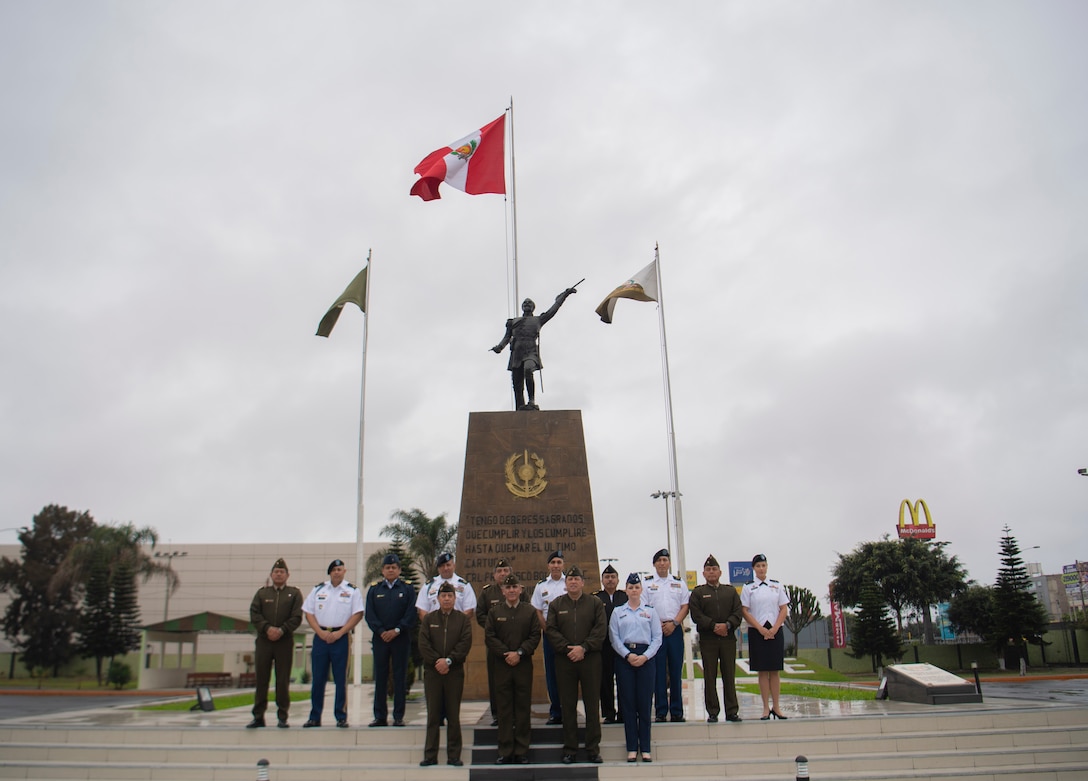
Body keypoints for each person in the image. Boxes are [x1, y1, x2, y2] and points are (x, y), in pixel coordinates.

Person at [545, 564, 608, 765]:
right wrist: (568, 649)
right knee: (568, 706)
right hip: (565, 660)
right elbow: (551, 630)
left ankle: (592, 749)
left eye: (576, 579)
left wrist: (583, 648)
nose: (573, 582)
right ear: (566, 583)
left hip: (589, 660)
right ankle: (570, 749)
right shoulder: (556, 604)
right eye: (570, 580)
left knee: (591, 704)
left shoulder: (595, 603)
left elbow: (600, 630)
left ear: (582, 582)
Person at [484, 573, 540, 765]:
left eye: (515, 587)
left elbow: (534, 636)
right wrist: (506, 654)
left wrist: (520, 653)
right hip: (502, 666)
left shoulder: (529, 611)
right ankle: (506, 750)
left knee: (523, 708)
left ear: (520, 589)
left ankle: (522, 750)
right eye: (508, 588)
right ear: (503, 590)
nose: (511, 590)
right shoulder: (495, 611)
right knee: (504, 709)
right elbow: (489, 637)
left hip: (523, 665)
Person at [490, 287, 577, 411]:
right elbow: (507, 337)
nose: (527, 304)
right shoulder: (513, 322)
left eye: (529, 303)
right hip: (517, 353)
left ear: (533, 307)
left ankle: (531, 401)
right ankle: (520, 405)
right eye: (524, 302)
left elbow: (554, 309)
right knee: (517, 383)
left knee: (528, 370)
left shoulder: (538, 320)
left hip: (530, 350)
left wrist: (565, 295)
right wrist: (499, 347)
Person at [302, 559, 364, 728]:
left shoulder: (352, 591)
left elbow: (358, 614)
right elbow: (308, 613)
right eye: (334, 570)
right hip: (321, 637)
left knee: (340, 679)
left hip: (341, 638)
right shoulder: (318, 589)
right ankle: (315, 716)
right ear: (329, 572)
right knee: (318, 679)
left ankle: (341, 716)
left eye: (340, 569)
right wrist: (320, 632)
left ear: (345, 571)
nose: (337, 572)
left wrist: (339, 633)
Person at [418, 582, 473, 767]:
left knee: (453, 714)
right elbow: (424, 644)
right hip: (433, 672)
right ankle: (430, 755)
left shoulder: (462, 620)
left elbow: (465, 643)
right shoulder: (429, 619)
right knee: (433, 715)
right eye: (444, 596)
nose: (447, 599)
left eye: (450, 596)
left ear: (455, 599)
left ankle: (454, 755)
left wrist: (448, 661)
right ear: (438, 599)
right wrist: (437, 662)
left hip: (454, 672)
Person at [609, 572, 662, 763]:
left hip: (646, 658)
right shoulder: (618, 612)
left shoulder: (650, 611)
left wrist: (645, 656)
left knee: (645, 704)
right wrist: (628, 655)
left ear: (641, 590)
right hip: (625, 659)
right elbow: (614, 637)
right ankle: (632, 748)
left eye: (636, 587)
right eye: (630, 587)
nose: (633, 590)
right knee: (629, 704)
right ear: (626, 589)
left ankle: (645, 748)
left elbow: (657, 637)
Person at [247, 558, 303, 729]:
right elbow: (254, 614)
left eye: (282, 572)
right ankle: (258, 716)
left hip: (284, 642)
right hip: (264, 642)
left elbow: (297, 617)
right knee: (262, 679)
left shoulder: (294, 594)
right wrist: (267, 629)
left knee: (282, 680)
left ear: (287, 575)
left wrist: (281, 630)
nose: (279, 574)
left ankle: (282, 716)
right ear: (271, 575)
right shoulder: (262, 594)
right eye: (276, 572)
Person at [688, 554, 744, 723]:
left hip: (728, 638)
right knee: (710, 676)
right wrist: (713, 626)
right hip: (708, 639)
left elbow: (738, 613)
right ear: (704, 573)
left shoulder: (730, 591)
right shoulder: (699, 592)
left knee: (729, 675)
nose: (711, 572)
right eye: (708, 570)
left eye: (714, 569)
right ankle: (713, 711)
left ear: (720, 572)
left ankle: (732, 711)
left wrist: (726, 625)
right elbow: (696, 615)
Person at [364, 553, 416, 728]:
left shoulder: (407, 589)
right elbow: (370, 615)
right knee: (380, 677)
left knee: (399, 677)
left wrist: (397, 630)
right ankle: (380, 716)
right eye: (388, 567)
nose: (391, 570)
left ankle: (398, 716)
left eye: (394, 567)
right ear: (382, 570)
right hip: (380, 640)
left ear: (399, 570)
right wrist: (381, 631)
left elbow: (411, 613)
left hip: (400, 638)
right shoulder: (374, 590)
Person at [740, 553, 791, 720]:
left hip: (775, 630)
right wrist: (760, 629)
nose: (761, 568)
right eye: (758, 566)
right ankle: (765, 708)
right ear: (753, 569)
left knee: (775, 670)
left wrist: (775, 628)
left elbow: (783, 608)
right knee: (762, 670)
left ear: (767, 567)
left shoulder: (776, 586)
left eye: (763, 565)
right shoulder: (748, 587)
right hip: (757, 631)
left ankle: (776, 706)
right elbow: (744, 611)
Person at [643, 548, 690, 722]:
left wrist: (675, 623)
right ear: (654, 564)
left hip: (675, 629)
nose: (662, 563)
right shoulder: (647, 583)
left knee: (676, 670)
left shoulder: (679, 582)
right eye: (659, 561)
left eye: (665, 560)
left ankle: (677, 711)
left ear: (669, 563)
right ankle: (661, 710)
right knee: (659, 671)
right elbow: (645, 607)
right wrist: (658, 626)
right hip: (656, 630)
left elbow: (685, 605)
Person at [476, 557, 523, 726]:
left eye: (505, 571)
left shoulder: (520, 591)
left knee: (518, 681)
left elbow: (527, 613)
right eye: (499, 571)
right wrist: (493, 629)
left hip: (517, 644)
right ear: (494, 575)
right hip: (495, 645)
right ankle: (497, 714)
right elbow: (480, 614)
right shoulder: (487, 593)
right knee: (496, 680)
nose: (503, 574)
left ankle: (518, 714)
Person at [530, 550, 568, 724]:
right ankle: (556, 711)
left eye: (559, 562)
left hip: (568, 636)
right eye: (553, 563)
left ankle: (568, 710)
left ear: (563, 565)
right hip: (549, 636)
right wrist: (547, 630)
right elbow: (537, 609)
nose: (556, 566)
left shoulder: (570, 582)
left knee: (568, 674)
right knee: (552, 674)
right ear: (548, 565)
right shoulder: (541, 586)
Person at [594, 563, 626, 724]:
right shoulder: (596, 598)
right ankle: (608, 713)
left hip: (622, 645)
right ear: (602, 580)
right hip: (604, 645)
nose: (610, 580)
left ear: (618, 580)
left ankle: (623, 712)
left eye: (613, 577)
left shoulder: (624, 597)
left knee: (623, 679)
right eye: (607, 577)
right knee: (605, 680)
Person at [416, 551, 477, 621]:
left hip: (456, 628)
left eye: (448, 565)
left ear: (454, 566)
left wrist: (456, 624)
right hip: (434, 628)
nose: (445, 568)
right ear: (438, 568)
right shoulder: (428, 585)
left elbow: (469, 611)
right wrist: (431, 626)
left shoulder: (464, 585)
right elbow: (422, 610)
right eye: (442, 566)